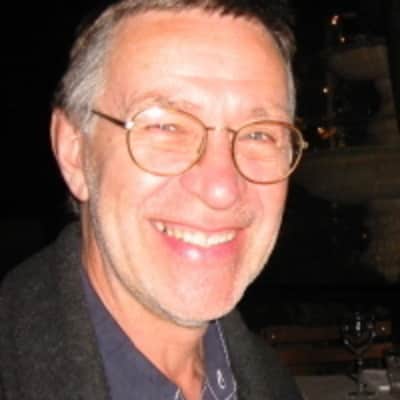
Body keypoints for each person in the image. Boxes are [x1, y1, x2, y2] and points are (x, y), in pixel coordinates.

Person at [0, 0, 307, 399]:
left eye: (259, 134)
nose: (221, 189)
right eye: (166, 126)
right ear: (75, 152)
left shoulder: (272, 383)